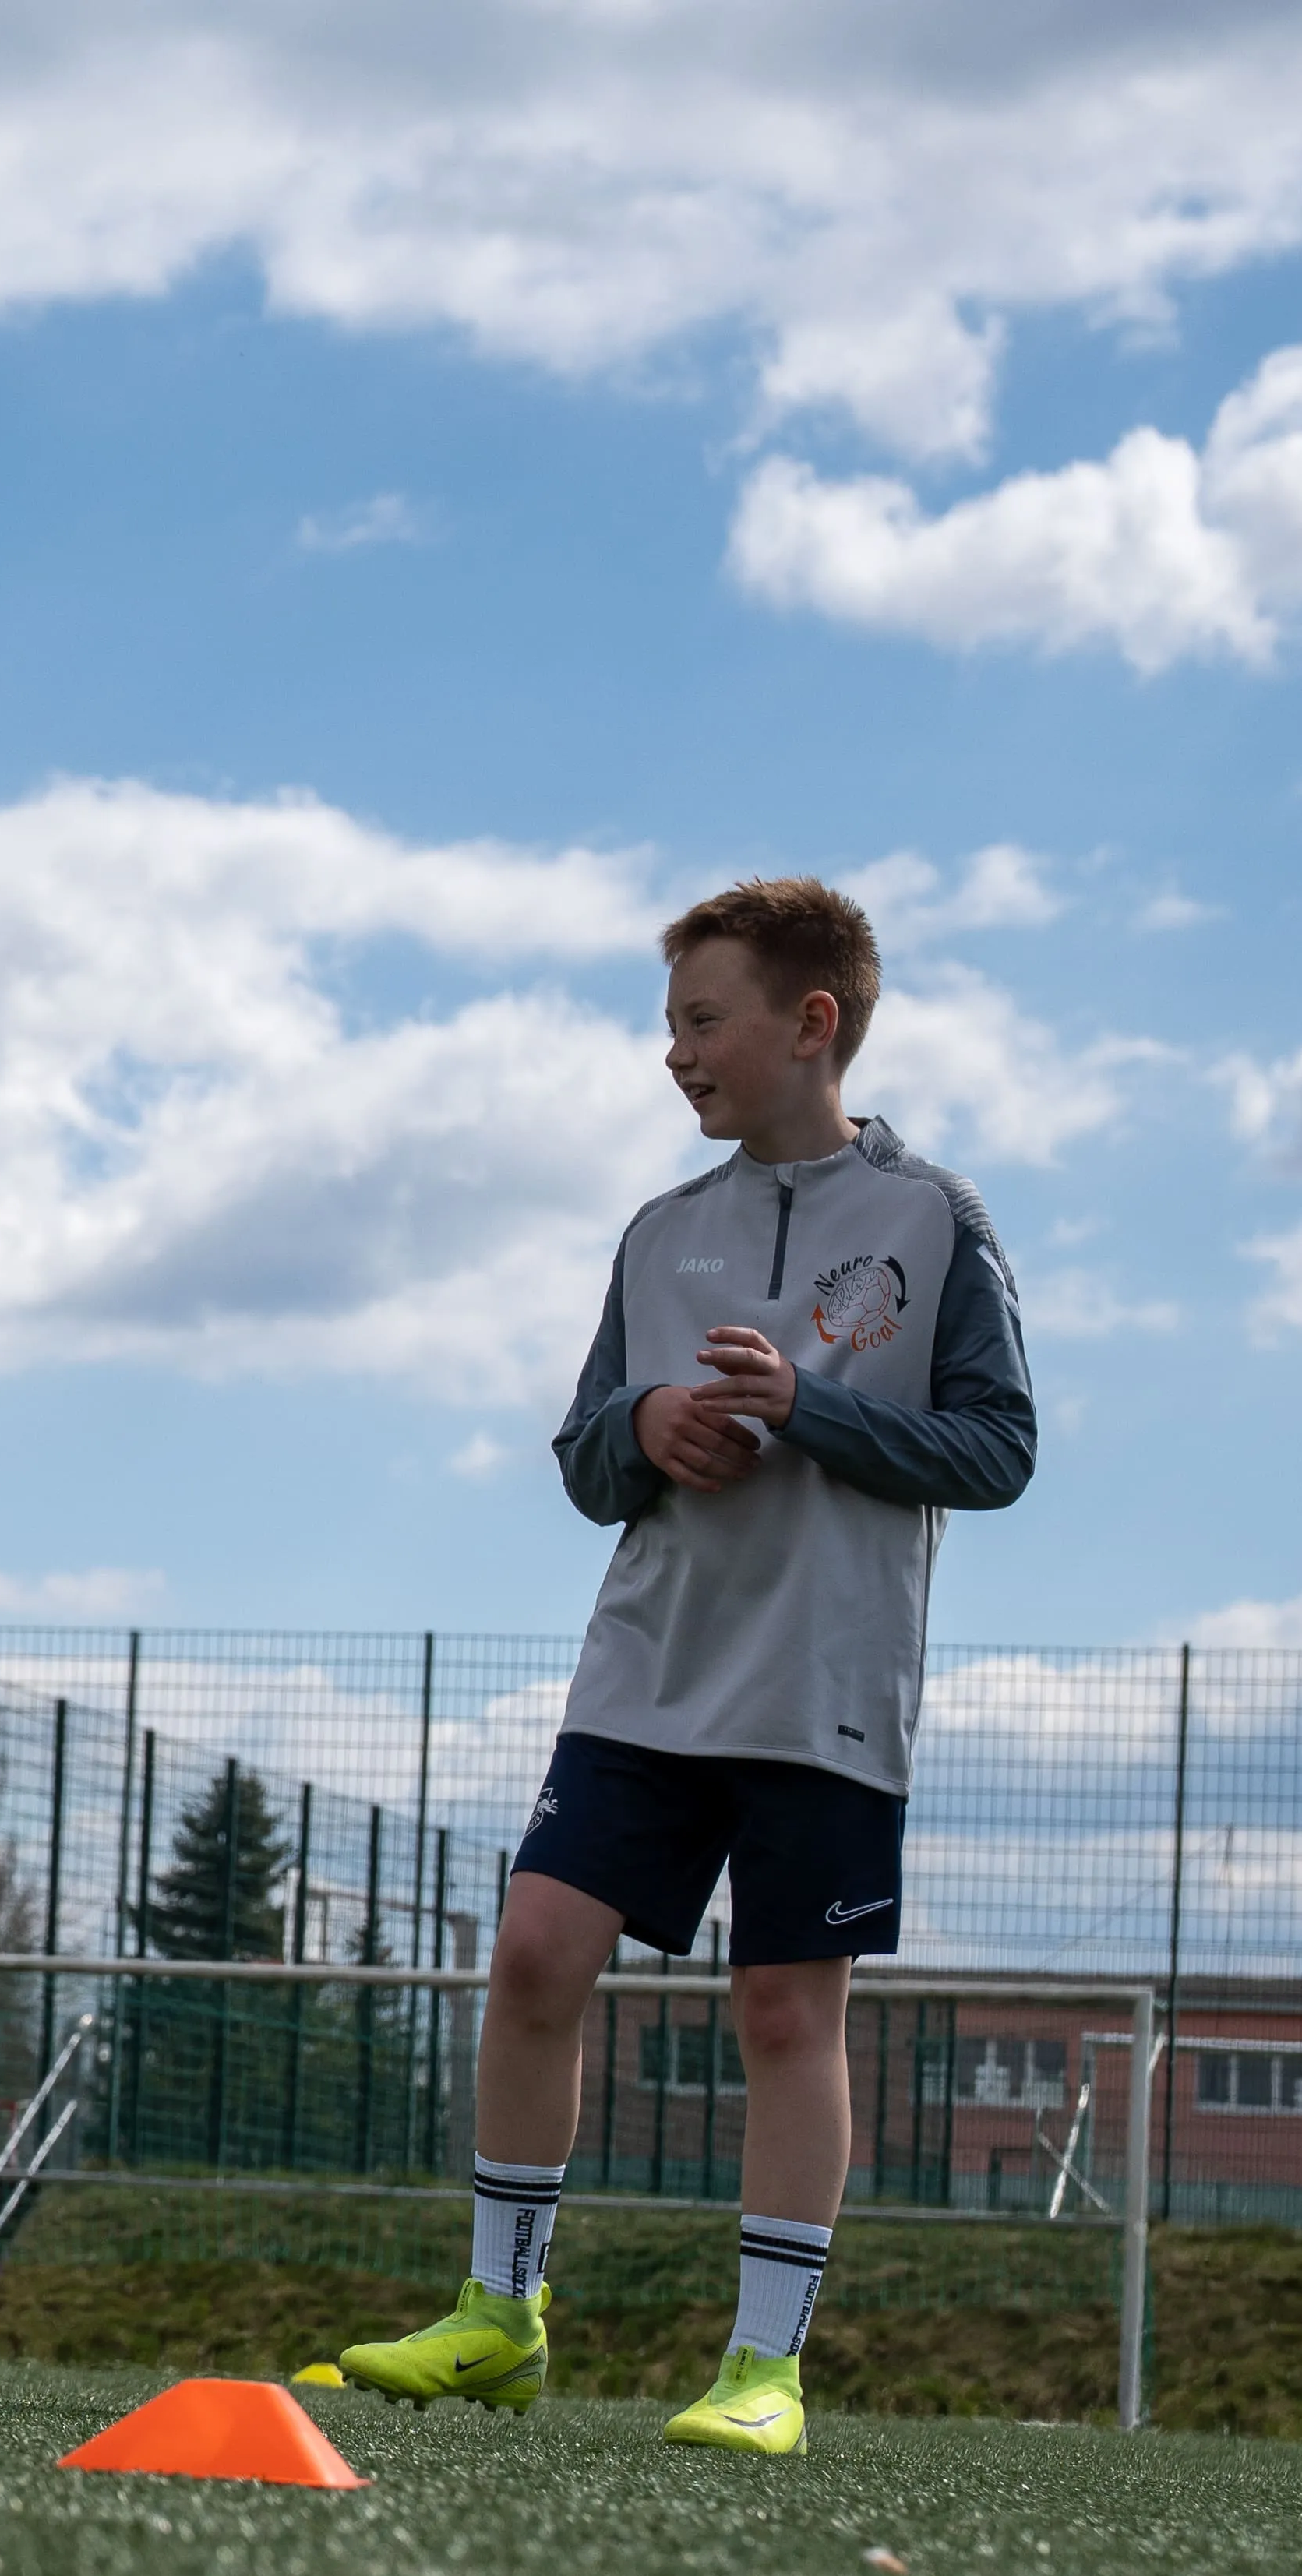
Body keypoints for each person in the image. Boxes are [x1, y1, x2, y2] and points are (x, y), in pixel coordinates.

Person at [334, 879, 1038, 2458]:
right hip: (646, 1673)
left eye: (703, 1020)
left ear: (814, 1024)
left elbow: (1001, 1448)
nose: (677, 1054)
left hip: (824, 1686)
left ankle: (764, 2366)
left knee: (787, 2012)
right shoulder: (662, 1234)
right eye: (670, 1025)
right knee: (531, 1956)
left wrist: (812, 1408)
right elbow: (589, 1456)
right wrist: (644, 1430)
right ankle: (498, 2315)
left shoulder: (934, 1223)